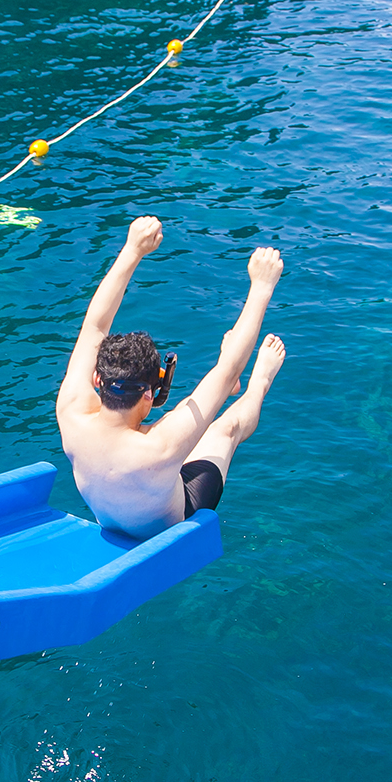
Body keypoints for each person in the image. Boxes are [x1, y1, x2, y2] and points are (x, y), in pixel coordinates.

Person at [56, 215, 286, 540]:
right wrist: (262, 287)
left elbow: (94, 327)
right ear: (149, 396)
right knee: (224, 428)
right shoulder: (159, 447)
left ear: (97, 378)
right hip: (172, 520)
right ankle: (257, 385)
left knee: (211, 393)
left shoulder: (71, 410)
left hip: (118, 510)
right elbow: (229, 368)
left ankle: (220, 390)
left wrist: (132, 250)